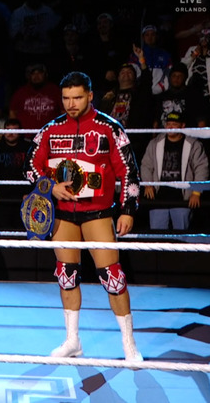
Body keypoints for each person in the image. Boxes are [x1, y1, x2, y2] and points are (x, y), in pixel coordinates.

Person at [24, 71, 143, 362]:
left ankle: (129, 345)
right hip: (63, 215)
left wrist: (128, 209)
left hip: (98, 213)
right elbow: (30, 165)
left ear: (90, 95)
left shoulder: (109, 128)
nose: (71, 103)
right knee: (66, 276)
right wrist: (50, 186)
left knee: (113, 278)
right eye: (65, 98)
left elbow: (129, 170)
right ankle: (72, 341)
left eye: (77, 97)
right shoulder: (51, 129)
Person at [140, 110, 209, 231]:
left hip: (182, 199)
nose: (170, 127)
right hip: (158, 198)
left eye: (174, 124)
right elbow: (146, 165)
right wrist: (148, 184)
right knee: (157, 238)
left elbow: (201, 167)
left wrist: (196, 192)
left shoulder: (193, 144)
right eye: (168, 124)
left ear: (183, 126)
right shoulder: (155, 143)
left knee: (182, 237)